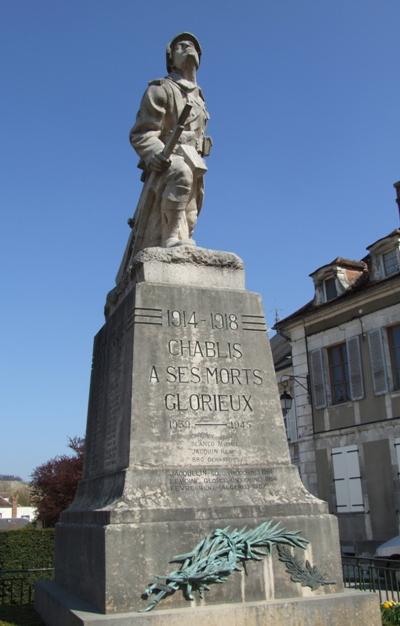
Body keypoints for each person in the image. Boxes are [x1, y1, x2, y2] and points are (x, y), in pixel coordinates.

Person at [129, 32, 212, 251]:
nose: (188, 48)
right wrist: (154, 153)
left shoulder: (199, 97)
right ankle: (171, 238)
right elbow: (142, 133)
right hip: (170, 157)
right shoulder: (160, 89)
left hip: (195, 160)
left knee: (191, 212)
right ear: (170, 59)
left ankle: (183, 240)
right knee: (180, 174)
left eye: (193, 46)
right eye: (180, 46)